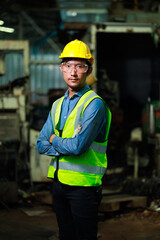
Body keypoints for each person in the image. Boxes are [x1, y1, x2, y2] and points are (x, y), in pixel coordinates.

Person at [37, 39, 111, 240]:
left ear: (88, 70)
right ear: (61, 68)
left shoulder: (94, 105)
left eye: (80, 66)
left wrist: (54, 139)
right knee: (66, 236)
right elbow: (40, 144)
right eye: (68, 66)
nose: (74, 72)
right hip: (59, 185)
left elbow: (78, 147)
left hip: (84, 189)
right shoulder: (57, 105)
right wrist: (57, 143)